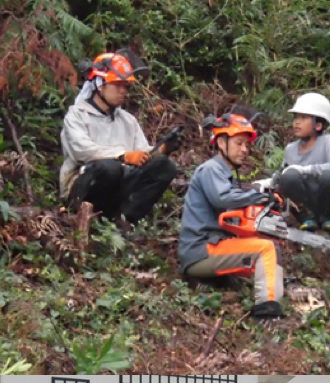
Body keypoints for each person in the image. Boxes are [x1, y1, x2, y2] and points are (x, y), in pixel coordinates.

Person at [178, 108, 285, 320]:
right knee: (266, 249)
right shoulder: (210, 170)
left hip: (212, 247)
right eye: (239, 143)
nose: (244, 149)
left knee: (265, 248)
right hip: (201, 250)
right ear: (220, 142)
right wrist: (258, 196)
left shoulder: (226, 176)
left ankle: (260, 293)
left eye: (247, 145)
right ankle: (267, 313)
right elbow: (223, 199)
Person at [60, 50, 177, 225]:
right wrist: (122, 155)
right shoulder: (77, 115)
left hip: (119, 185)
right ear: (100, 84)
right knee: (108, 168)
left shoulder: (127, 120)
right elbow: (82, 150)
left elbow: (141, 153)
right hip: (82, 186)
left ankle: (125, 221)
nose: (123, 91)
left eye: (125, 86)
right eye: (117, 85)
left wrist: (162, 150)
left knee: (165, 167)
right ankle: (87, 217)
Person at [274, 92, 330, 232]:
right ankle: (307, 217)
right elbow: (282, 174)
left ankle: (328, 218)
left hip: (329, 202)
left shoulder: (327, 141)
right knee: (289, 177)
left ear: (318, 125)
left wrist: (305, 169)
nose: (297, 122)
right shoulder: (291, 149)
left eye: (303, 118)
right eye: (296, 117)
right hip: (305, 205)